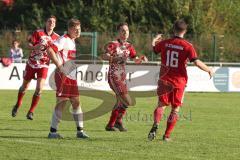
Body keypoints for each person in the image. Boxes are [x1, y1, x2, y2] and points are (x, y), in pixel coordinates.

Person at [148, 19, 214, 141]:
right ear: (185, 31)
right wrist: (208, 69)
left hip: (164, 80)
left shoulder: (165, 43)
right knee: (175, 108)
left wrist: (153, 41)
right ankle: (166, 136)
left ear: (174, 29)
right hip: (179, 82)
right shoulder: (188, 46)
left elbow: (154, 50)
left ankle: (156, 125)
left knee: (161, 105)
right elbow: (196, 62)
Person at [46, 18, 89, 139]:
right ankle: (52, 132)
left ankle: (80, 131)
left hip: (71, 76)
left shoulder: (72, 40)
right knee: (62, 102)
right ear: (70, 29)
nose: (78, 31)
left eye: (79, 29)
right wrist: (59, 66)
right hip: (63, 76)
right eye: (76, 29)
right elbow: (50, 50)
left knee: (76, 102)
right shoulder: (63, 39)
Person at [102, 22, 148, 132]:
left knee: (120, 102)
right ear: (118, 32)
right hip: (114, 76)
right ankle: (117, 122)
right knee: (127, 101)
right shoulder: (113, 44)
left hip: (122, 77)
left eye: (127, 30)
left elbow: (134, 59)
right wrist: (113, 59)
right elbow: (103, 55)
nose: (125, 33)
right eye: (122, 30)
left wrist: (141, 59)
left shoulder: (129, 46)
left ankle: (112, 124)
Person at [11, 15, 59, 120]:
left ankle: (31, 111)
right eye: (49, 21)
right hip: (32, 63)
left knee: (39, 89)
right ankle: (18, 104)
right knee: (24, 86)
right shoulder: (38, 32)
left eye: (53, 22)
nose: (51, 23)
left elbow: (57, 52)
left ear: (55, 25)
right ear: (46, 23)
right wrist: (35, 47)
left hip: (44, 65)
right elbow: (28, 45)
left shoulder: (57, 38)